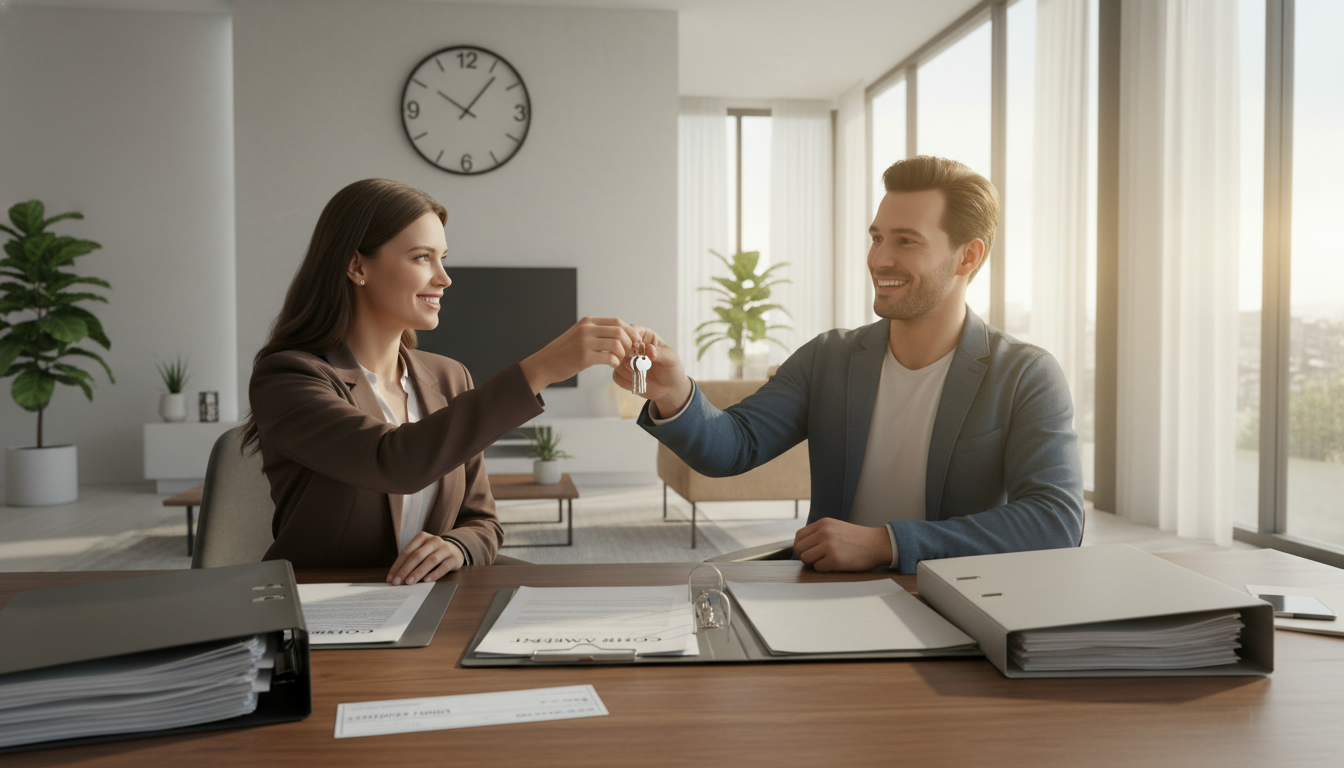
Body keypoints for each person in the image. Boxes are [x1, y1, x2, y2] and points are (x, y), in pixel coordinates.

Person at [619, 156, 1083, 574]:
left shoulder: (1026, 375)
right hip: (832, 598)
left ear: (968, 255)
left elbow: (1055, 519)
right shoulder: (829, 357)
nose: (880, 258)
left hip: (960, 603)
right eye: (878, 237)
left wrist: (888, 543)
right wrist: (673, 391)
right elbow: (734, 446)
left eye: (906, 241)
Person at [245, 178, 635, 584]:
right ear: (357, 266)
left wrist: (458, 547)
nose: (444, 278)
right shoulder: (288, 377)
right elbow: (393, 461)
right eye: (421, 258)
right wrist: (541, 369)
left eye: (443, 258)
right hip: (323, 616)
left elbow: (482, 522)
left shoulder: (450, 377)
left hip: (430, 605)